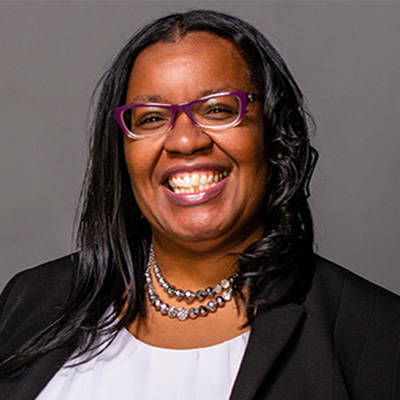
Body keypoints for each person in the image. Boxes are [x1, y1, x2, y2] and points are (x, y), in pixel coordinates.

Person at [0, 9, 399, 400]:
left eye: (218, 109)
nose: (185, 140)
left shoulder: (375, 334)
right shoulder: (32, 298)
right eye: (151, 118)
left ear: (273, 133)